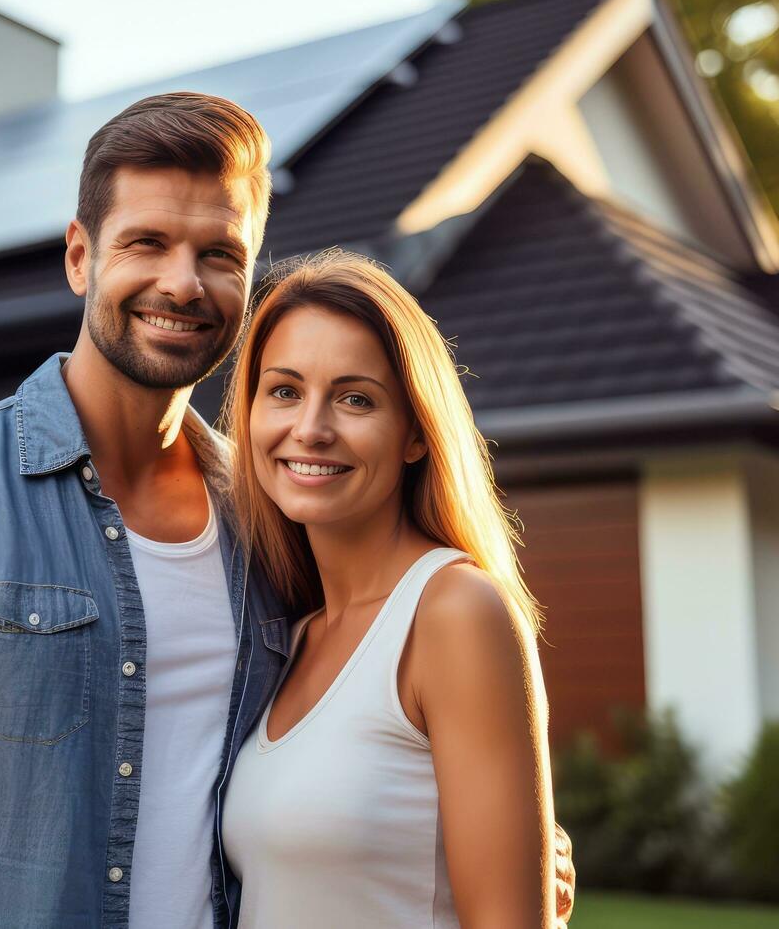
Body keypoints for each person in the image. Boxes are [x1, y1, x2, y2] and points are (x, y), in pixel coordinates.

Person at [0, 91, 575, 927]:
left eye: (219, 253)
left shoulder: (277, 532)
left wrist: (517, 856)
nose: (182, 283)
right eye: (147, 243)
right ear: (81, 257)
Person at [220, 250, 559, 927]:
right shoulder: (287, 631)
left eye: (355, 399)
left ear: (413, 433)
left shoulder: (455, 612)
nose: (310, 429)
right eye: (284, 390)